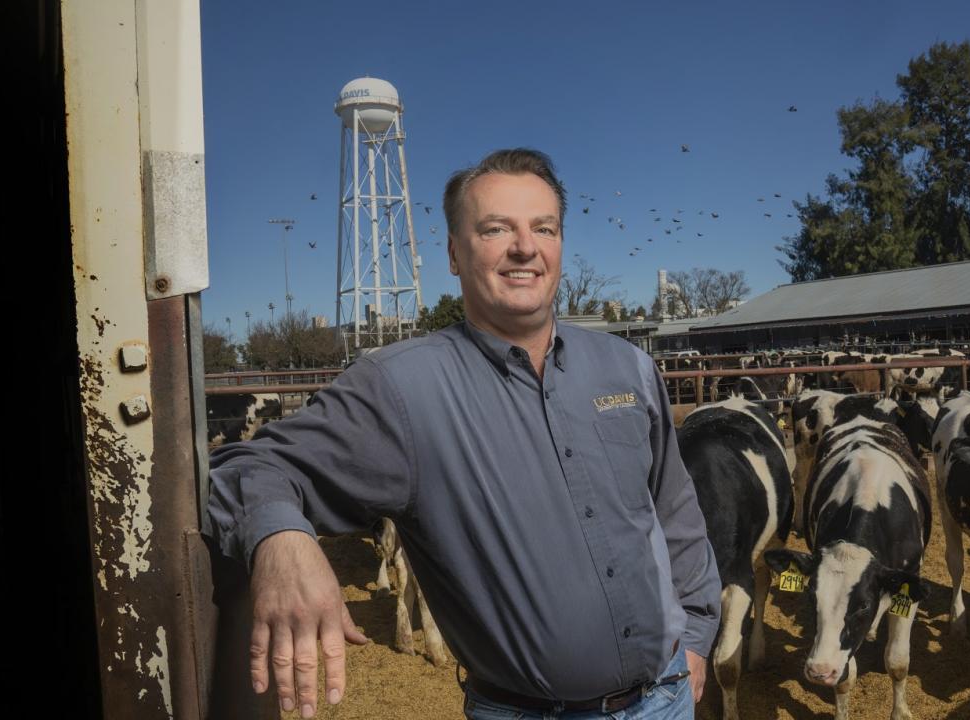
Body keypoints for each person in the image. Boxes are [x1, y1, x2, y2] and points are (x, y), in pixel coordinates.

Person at [206, 148, 721, 719]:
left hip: (667, 696)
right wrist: (282, 543)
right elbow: (245, 469)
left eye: (543, 228)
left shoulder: (627, 366)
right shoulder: (400, 388)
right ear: (454, 253)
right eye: (496, 228)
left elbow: (674, 510)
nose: (525, 247)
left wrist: (696, 634)